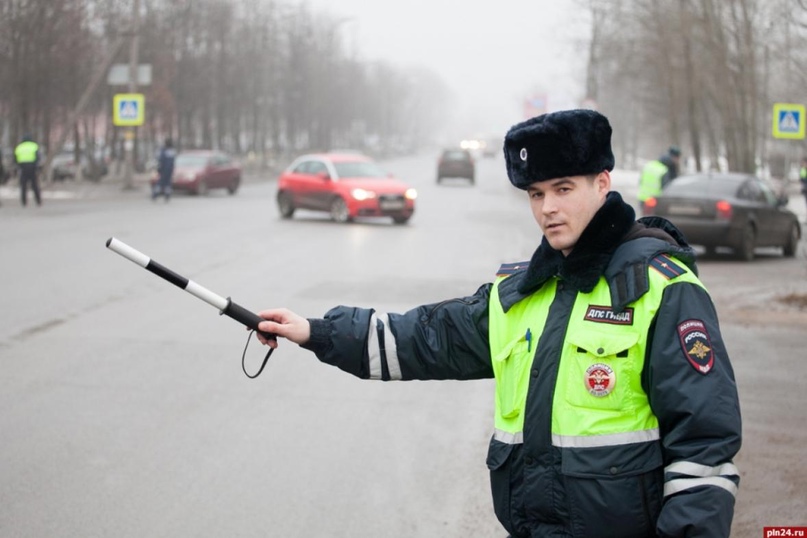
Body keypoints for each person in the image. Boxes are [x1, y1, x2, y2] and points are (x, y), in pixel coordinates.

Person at [255, 110, 741, 537]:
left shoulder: (661, 288)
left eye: (563, 189)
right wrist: (316, 332)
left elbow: (704, 447)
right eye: (536, 193)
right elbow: (428, 337)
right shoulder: (521, 293)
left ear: (602, 184)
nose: (548, 208)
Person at [638, 145, 681, 215]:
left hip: (643, 198)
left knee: (645, 221)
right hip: (655, 200)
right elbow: (666, 187)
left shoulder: (648, 165)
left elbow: (640, 181)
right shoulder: (664, 170)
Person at [14, 134, 42, 207]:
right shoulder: (34, 146)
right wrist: (36, 166)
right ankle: (38, 200)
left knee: (23, 186)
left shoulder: (19, 147)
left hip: (23, 168)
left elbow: (15, 159)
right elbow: (38, 157)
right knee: (35, 185)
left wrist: (18, 166)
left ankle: (24, 202)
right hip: (32, 168)